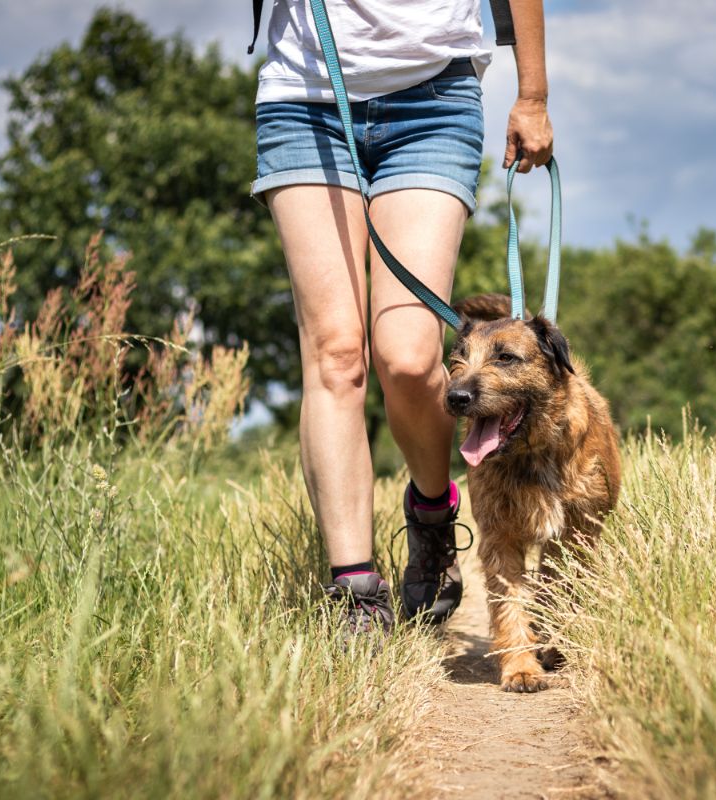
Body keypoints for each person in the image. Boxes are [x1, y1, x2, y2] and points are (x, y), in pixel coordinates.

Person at [251, 0, 553, 635]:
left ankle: (433, 515)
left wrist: (532, 94)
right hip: (304, 95)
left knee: (411, 359)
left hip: (433, 97)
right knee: (335, 353)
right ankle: (355, 590)